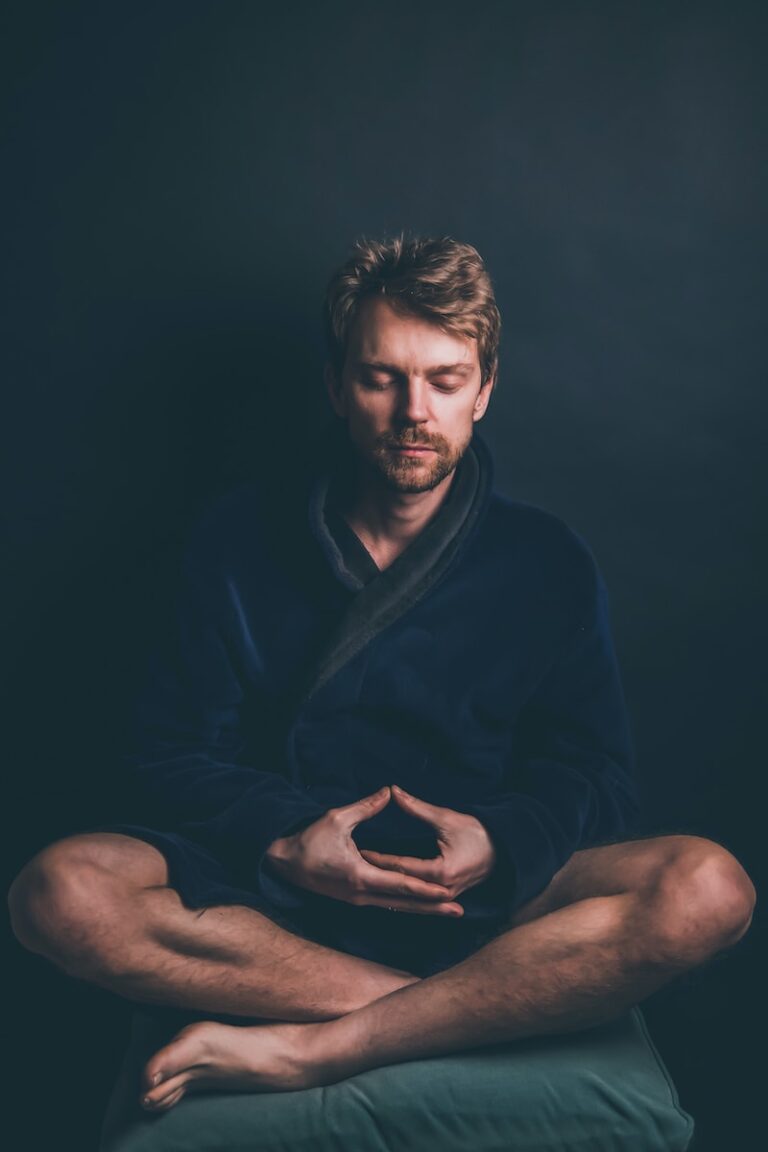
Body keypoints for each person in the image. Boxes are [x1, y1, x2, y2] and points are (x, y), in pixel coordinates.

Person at [8, 234, 755, 1113]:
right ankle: (472, 1013)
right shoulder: (235, 541)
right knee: (58, 892)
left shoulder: (547, 561)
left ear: (485, 390)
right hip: (279, 902)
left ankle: (325, 1046)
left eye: (444, 379)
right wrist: (289, 839)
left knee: (710, 888)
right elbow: (167, 753)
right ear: (336, 387)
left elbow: (594, 774)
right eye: (382, 377)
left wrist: (499, 845)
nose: (414, 411)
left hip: (474, 903)